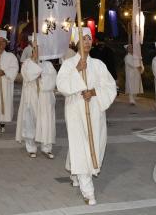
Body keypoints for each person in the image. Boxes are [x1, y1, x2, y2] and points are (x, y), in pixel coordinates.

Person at [57, 27, 117, 206]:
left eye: (89, 39)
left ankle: (74, 169)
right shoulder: (68, 64)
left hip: (95, 112)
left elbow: (110, 86)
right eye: (83, 39)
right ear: (76, 43)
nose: (87, 42)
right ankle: (88, 190)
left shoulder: (99, 65)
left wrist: (94, 92)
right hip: (76, 110)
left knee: (94, 144)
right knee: (81, 145)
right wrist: (77, 70)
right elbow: (61, 86)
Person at [16, 37, 57, 158]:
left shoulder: (48, 64)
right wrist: (37, 70)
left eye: (39, 48)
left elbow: (53, 80)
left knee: (46, 121)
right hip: (31, 97)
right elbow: (27, 76)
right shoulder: (27, 63)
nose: (37, 50)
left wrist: (42, 78)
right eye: (35, 48)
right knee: (30, 120)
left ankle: (46, 147)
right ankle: (31, 147)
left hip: (44, 97)